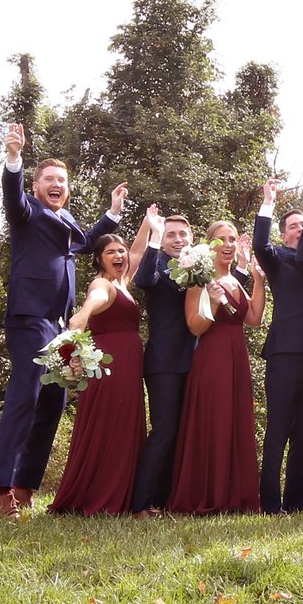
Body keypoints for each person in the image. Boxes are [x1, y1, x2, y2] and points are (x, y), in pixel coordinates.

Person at [0, 121, 123, 519]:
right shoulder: (27, 212)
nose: (56, 184)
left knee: (53, 398)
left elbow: (85, 240)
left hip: (60, 324)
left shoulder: (67, 223)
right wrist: (14, 158)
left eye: (61, 179)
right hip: (29, 317)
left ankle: (24, 487)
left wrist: (112, 213)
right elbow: (12, 197)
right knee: (26, 394)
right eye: (48, 179)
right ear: (36, 186)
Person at [47, 213, 158, 517]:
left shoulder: (123, 282)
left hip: (129, 365)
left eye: (120, 251)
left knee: (125, 424)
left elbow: (136, 251)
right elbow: (93, 301)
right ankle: (101, 497)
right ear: (98, 260)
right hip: (111, 365)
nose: (119, 255)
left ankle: (122, 495)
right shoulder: (103, 285)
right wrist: (80, 318)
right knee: (111, 426)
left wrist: (148, 223)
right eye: (110, 252)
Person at [168, 222, 266, 515]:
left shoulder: (235, 281)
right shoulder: (199, 280)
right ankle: (208, 492)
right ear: (208, 245)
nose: (228, 244)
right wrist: (210, 302)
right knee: (216, 419)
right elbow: (194, 327)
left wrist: (260, 282)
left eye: (232, 239)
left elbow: (253, 318)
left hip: (237, 357)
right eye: (221, 240)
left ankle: (235, 493)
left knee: (235, 419)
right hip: (213, 359)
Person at [253, 180, 303, 514]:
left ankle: (295, 503)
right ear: (284, 236)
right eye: (293, 227)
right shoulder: (278, 259)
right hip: (285, 355)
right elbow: (259, 245)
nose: (298, 230)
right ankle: (269, 502)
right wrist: (268, 202)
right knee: (278, 429)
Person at [126, 213, 197, 514]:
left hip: (195, 359)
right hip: (163, 362)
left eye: (183, 234)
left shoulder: (198, 266)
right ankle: (140, 503)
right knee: (164, 429)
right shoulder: (155, 264)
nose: (178, 239)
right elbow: (142, 280)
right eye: (171, 235)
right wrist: (154, 238)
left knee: (183, 431)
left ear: (191, 237)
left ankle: (166, 499)